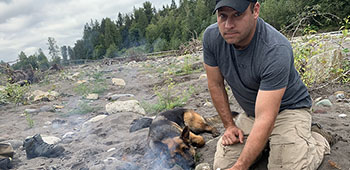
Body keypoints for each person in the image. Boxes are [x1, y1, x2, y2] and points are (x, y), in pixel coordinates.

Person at [202, 0, 331, 169]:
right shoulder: (212, 37)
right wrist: (229, 126)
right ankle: (268, 145)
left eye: (237, 15)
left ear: (255, 10)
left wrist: (241, 166)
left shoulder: (275, 48)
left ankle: (316, 141)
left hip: (288, 110)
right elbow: (215, 84)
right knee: (224, 164)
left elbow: (266, 118)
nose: (228, 25)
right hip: (253, 113)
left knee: (287, 167)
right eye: (222, 16)